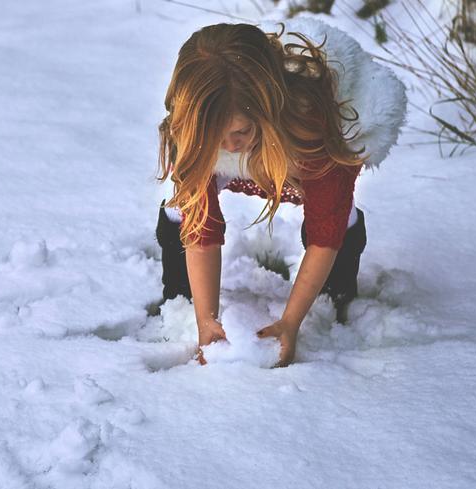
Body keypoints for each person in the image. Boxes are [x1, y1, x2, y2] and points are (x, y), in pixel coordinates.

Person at [154, 20, 404, 368]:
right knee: (181, 213)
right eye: (218, 135)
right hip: (254, 146)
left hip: (296, 152)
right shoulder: (199, 132)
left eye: (239, 131)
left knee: (336, 218)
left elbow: (324, 234)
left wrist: (290, 322)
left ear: (264, 109)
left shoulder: (313, 131)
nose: (229, 145)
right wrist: (205, 321)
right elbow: (201, 231)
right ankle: (178, 298)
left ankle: (334, 299)